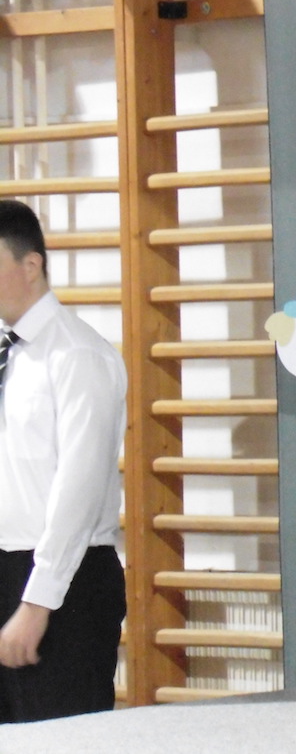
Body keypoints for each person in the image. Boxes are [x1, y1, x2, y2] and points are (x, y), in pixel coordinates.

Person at [0, 199, 127, 722]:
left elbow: (79, 489)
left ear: (30, 265)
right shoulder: (8, 354)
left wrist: (37, 603)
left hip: (65, 583)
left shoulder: (78, 354)